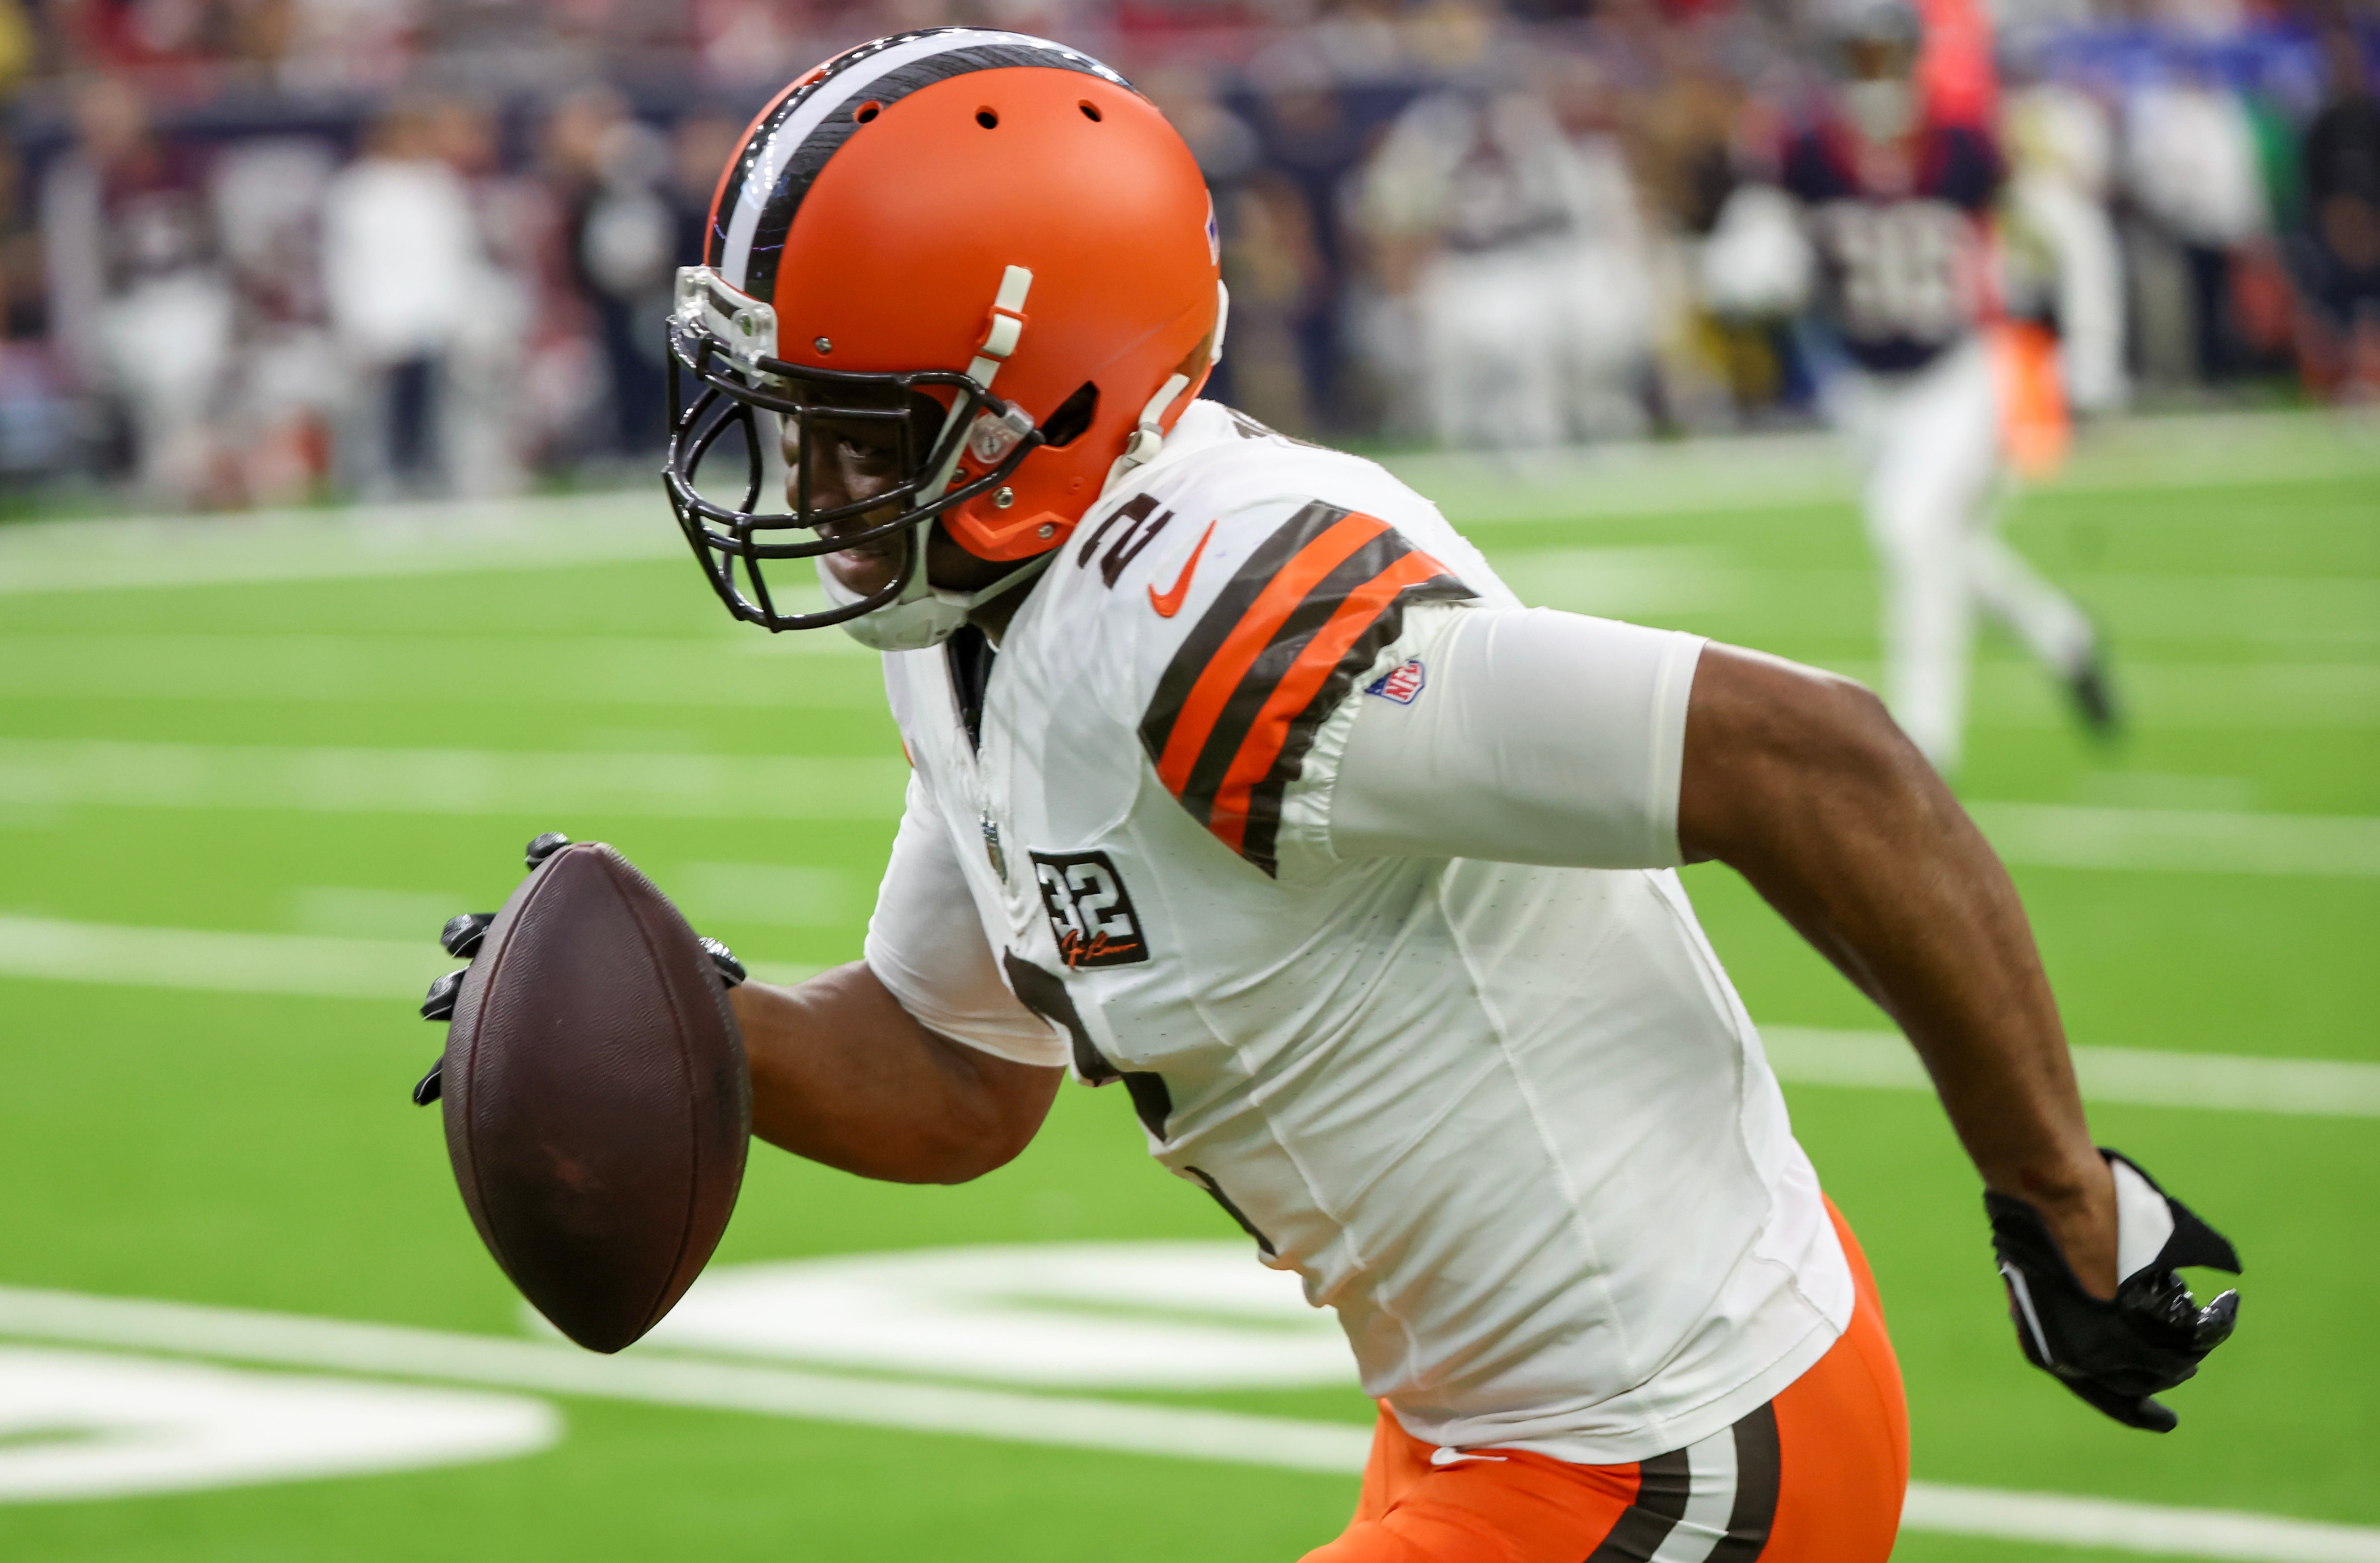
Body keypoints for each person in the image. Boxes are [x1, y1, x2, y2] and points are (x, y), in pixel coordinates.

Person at [639, 29, 2237, 1561]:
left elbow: (1814, 757)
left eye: (857, 433)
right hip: (1481, 1422)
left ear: (1036, 405)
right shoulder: (972, 601)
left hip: (1668, 1436)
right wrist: (675, 1021)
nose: (812, 490)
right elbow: (953, 1072)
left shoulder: (1215, 627)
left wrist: (2057, 1194)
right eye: (799, 426)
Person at [1698, 0, 2115, 774]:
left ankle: (1926, 751)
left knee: (1909, 529)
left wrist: (2089, 353)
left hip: (1958, 373)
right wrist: (1748, 272)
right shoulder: (1804, 150)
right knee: (1941, 543)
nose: (1872, 77)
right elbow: (1745, 242)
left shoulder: (1964, 146)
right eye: (1857, 57)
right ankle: (2063, 636)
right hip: (1861, 389)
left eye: (1882, 56)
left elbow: (2069, 233)